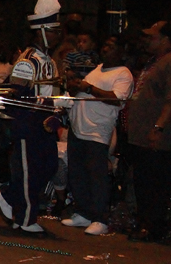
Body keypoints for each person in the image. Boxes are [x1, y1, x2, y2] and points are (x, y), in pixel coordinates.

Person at [0, 0, 61, 235]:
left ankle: (9, 196)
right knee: (28, 171)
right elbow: (17, 96)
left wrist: (57, 107)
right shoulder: (27, 61)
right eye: (53, 31)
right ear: (42, 31)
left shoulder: (48, 61)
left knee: (48, 166)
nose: (57, 36)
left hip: (45, 124)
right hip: (28, 124)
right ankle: (24, 217)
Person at [59, 36, 133, 236]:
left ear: (121, 51)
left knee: (96, 175)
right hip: (78, 128)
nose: (105, 48)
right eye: (105, 44)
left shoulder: (123, 73)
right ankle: (83, 212)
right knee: (77, 173)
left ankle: (100, 218)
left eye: (111, 46)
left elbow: (117, 100)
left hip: (97, 131)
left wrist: (88, 88)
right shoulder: (97, 68)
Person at [125, 20, 171, 243]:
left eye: (152, 37)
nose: (146, 41)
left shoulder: (169, 62)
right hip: (141, 134)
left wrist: (158, 127)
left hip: (156, 137)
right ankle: (145, 222)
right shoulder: (154, 62)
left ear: (165, 40)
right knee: (142, 180)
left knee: (154, 183)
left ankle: (153, 225)